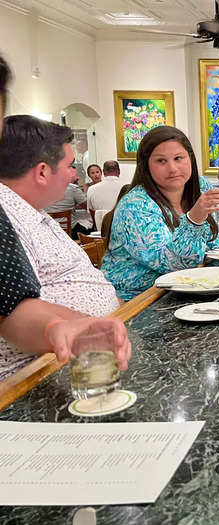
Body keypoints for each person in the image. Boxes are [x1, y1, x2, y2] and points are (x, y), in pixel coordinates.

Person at [0, 112, 123, 380]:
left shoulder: (33, 212)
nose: (73, 175)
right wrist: (90, 328)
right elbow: (14, 308)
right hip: (42, 371)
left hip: (89, 350)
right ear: (43, 171)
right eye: (70, 165)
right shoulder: (7, 218)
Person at [101, 126, 219, 301]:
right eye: (161, 161)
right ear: (146, 166)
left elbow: (218, 244)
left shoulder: (200, 186)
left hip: (190, 290)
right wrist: (194, 220)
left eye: (178, 158)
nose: (173, 168)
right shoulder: (135, 206)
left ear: (190, 158)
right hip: (140, 302)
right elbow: (172, 264)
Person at [44, 171, 94, 238]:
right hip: (70, 231)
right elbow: (88, 207)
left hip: (48, 232)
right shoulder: (72, 188)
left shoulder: (40, 189)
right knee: (92, 229)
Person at [87, 159, 125, 230]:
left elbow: (91, 212)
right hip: (122, 229)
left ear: (103, 172)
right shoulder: (127, 187)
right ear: (119, 171)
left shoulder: (91, 189)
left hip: (101, 231)